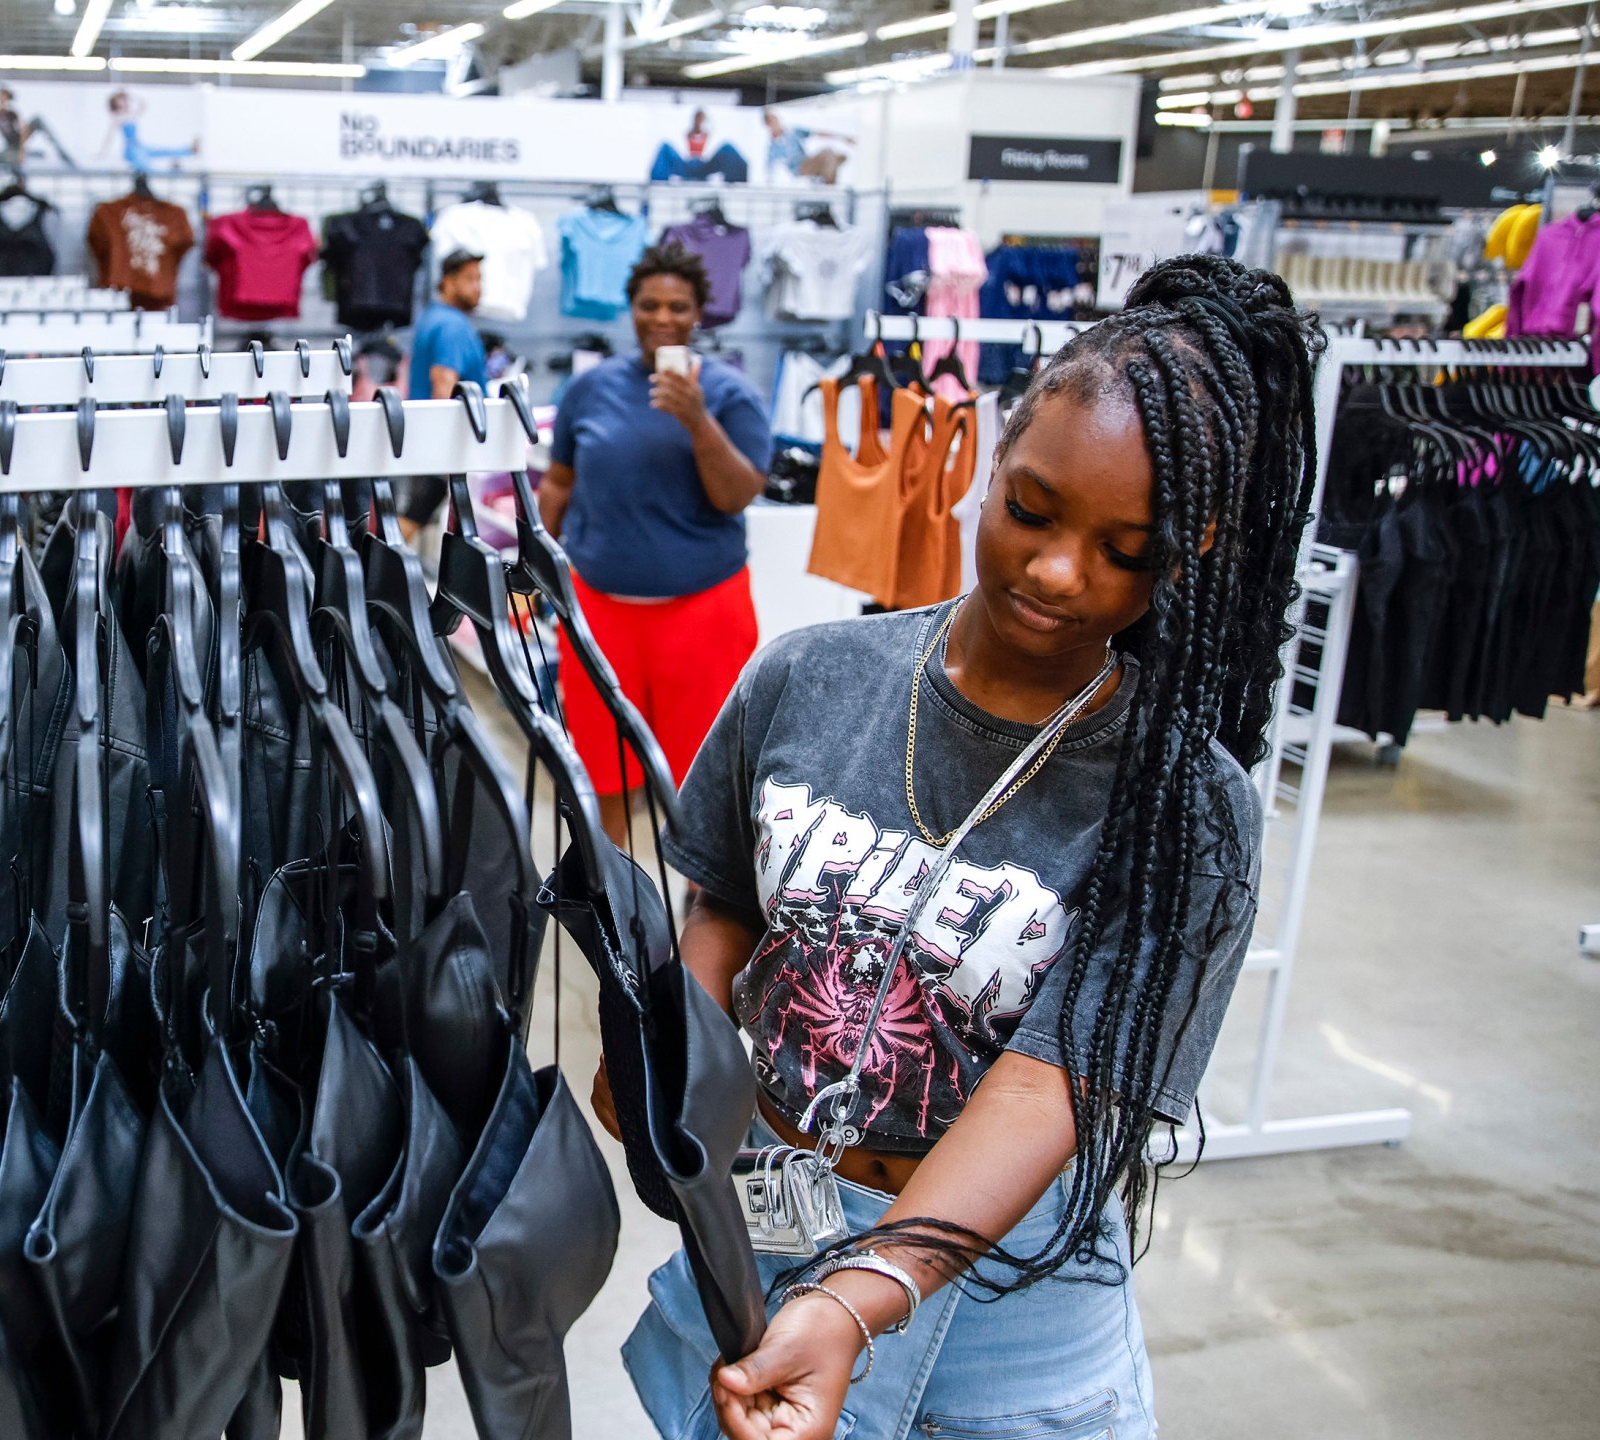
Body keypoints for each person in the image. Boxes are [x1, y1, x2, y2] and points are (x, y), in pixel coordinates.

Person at [617, 256, 1322, 1440]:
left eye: (1125, 551)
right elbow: (727, 899)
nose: (1057, 572)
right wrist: (679, 1048)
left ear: (1192, 549)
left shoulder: (1180, 804)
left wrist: (856, 1297)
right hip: (764, 1226)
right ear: (993, 464)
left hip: (997, 1322)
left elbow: (1056, 1082)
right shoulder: (813, 674)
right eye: (1033, 512)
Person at [539, 243, 772, 845]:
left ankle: (702, 911)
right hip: (599, 609)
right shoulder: (589, 391)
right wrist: (534, 569)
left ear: (699, 314)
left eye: (678, 306)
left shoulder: (729, 394)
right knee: (601, 764)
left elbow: (737, 494)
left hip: (702, 611)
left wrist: (697, 421)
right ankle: (611, 901)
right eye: (650, 305)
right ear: (632, 310)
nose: (663, 317)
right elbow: (560, 484)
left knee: (702, 772)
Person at [397, 248, 489, 535]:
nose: (477, 288)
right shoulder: (452, 326)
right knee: (413, 518)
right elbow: (443, 381)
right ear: (448, 281)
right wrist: (446, 451)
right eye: (469, 279)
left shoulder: (433, 316)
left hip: (428, 439)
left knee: (414, 517)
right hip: (443, 445)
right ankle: (369, 575)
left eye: (479, 279)